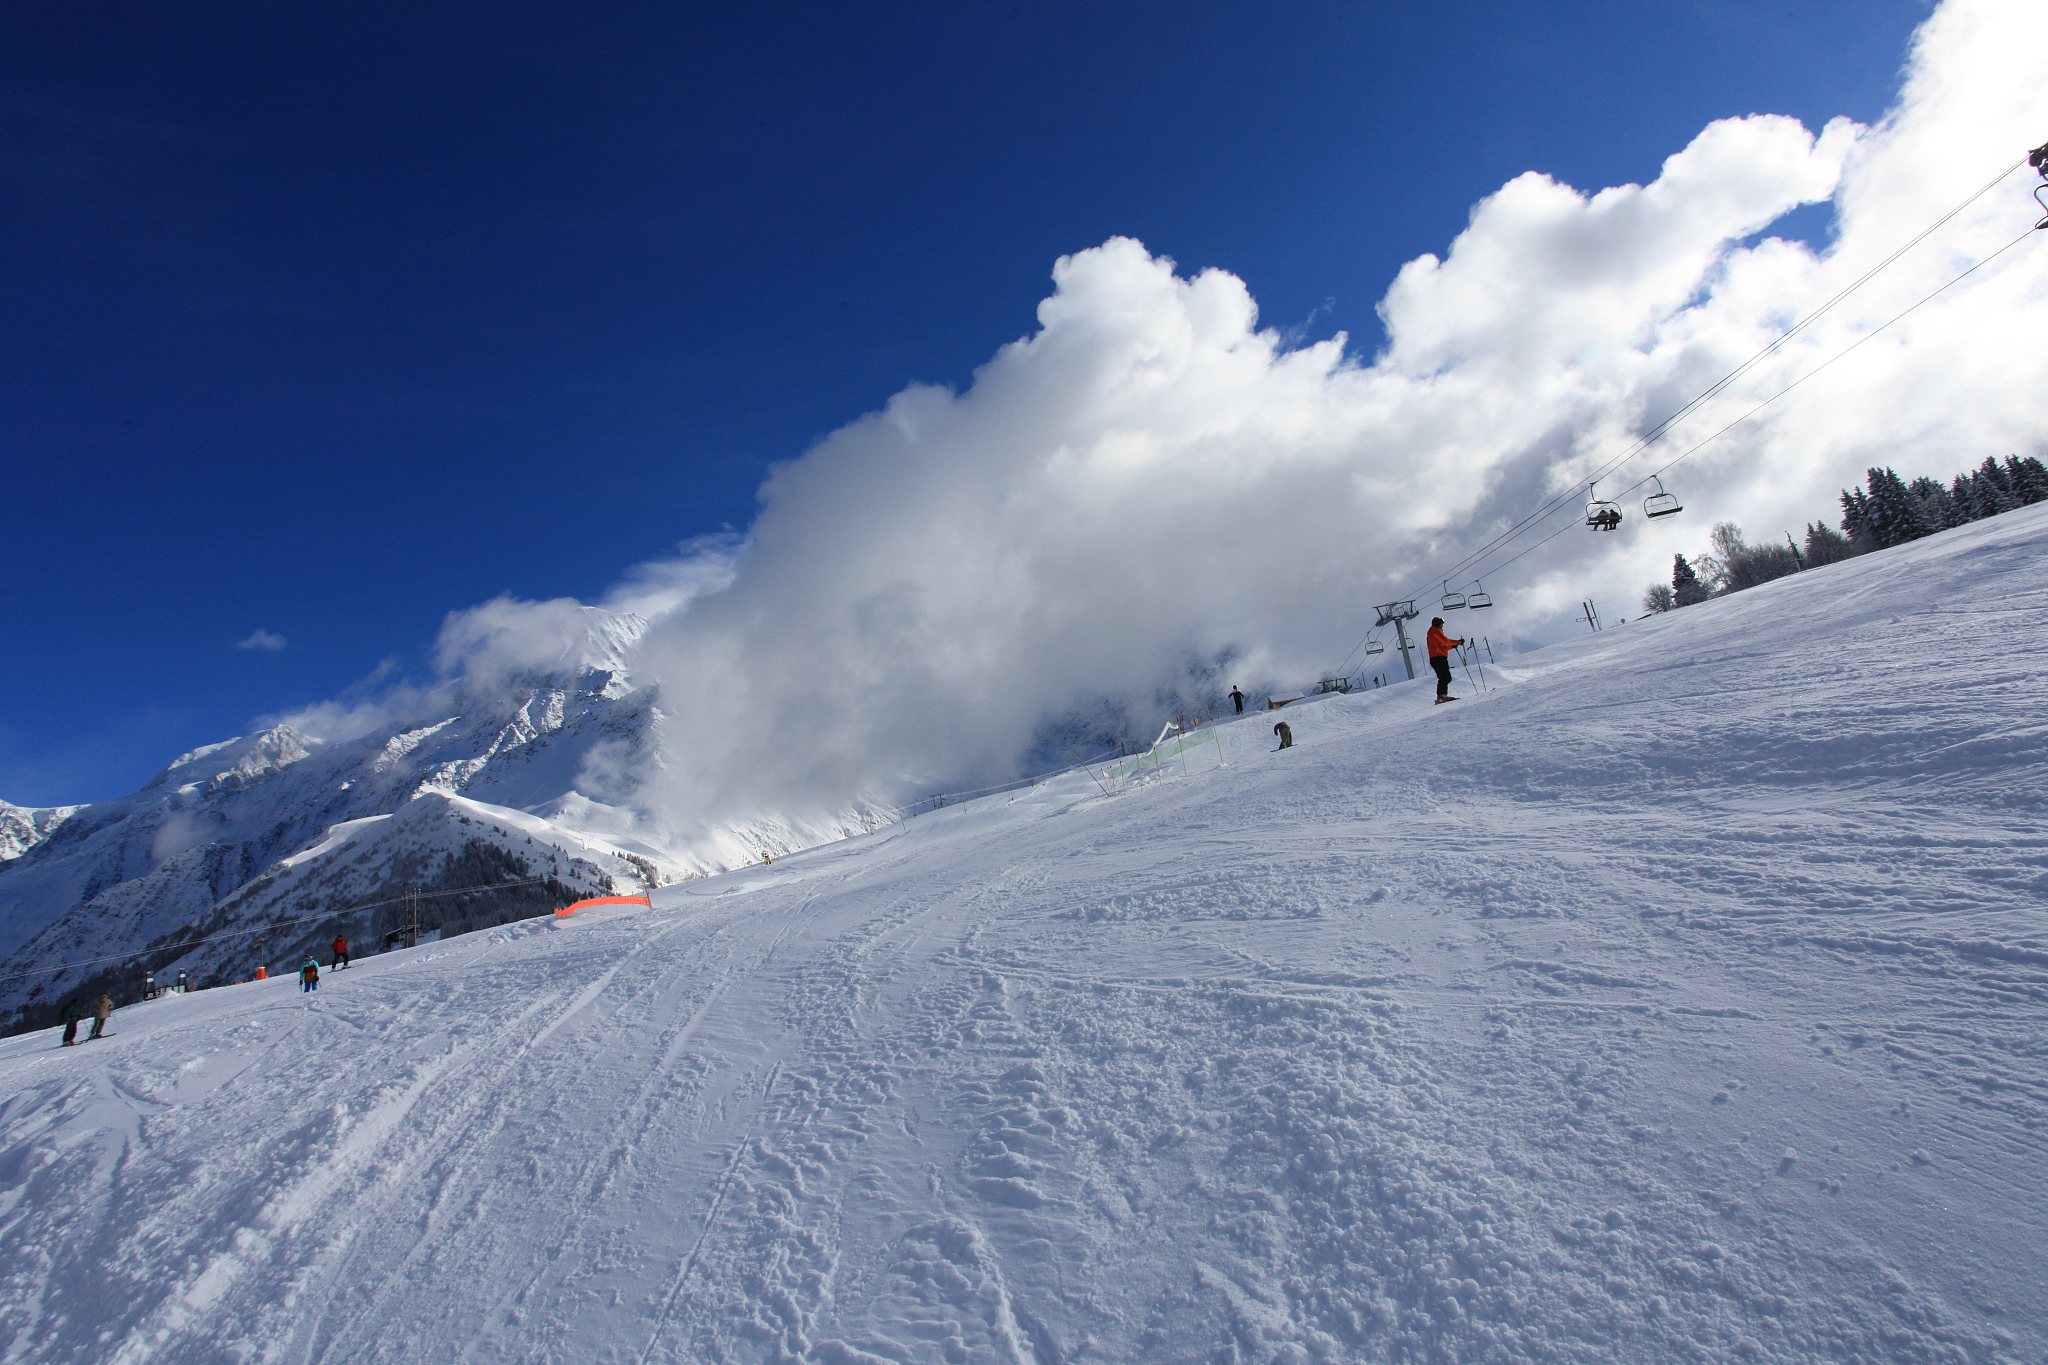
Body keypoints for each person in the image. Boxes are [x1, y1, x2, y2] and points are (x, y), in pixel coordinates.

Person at [1426, 617, 1466, 704]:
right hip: (1439, 658)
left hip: (1436, 657)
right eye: (1441, 624)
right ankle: (1442, 696)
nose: (1442, 625)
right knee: (1445, 677)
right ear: (1437, 624)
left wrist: (1452, 646)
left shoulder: (1433, 632)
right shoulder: (1435, 631)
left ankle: (1441, 696)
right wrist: (1457, 642)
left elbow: (1442, 646)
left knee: (1445, 677)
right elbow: (1445, 641)